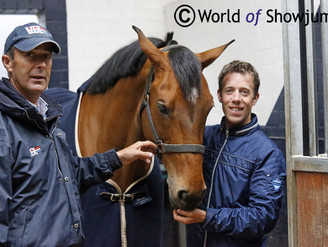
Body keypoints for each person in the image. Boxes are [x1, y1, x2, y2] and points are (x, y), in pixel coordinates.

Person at [0, 22, 157, 246]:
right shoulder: (4, 126)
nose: (41, 65)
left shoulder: (47, 118)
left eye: (46, 57)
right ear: (8, 62)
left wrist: (119, 157)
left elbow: (70, 175)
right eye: (30, 56)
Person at [173, 60, 286, 247]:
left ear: (255, 98)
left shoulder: (267, 154)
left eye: (244, 92)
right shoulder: (204, 137)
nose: (236, 98)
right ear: (219, 95)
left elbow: (262, 218)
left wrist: (206, 217)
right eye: (229, 90)